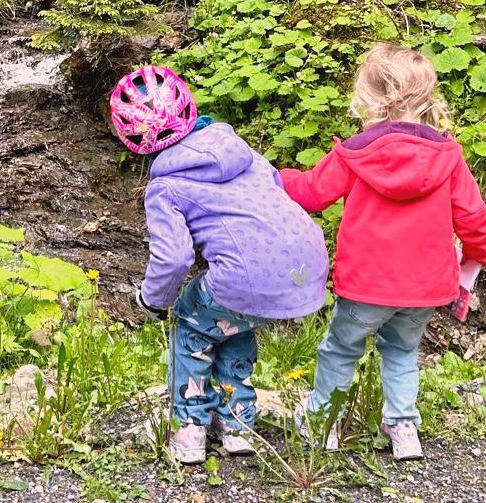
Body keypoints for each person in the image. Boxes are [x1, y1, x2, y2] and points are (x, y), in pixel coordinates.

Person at [279, 42, 486, 460]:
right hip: (425, 288)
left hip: (365, 285)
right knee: (402, 351)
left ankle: (324, 423)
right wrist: (477, 254)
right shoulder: (447, 156)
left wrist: (273, 176)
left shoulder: (356, 152)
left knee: (341, 349)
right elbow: (473, 216)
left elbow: (311, 193)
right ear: (427, 98)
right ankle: (403, 428)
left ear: (369, 97)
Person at [112, 64, 328, 465]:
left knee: (192, 326)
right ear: (189, 109)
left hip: (245, 276)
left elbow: (173, 258)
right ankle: (238, 421)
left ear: (131, 138)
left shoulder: (165, 186)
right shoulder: (244, 153)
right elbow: (276, 199)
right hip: (305, 267)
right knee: (234, 323)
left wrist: (154, 301)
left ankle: (190, 428)